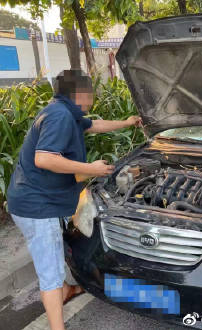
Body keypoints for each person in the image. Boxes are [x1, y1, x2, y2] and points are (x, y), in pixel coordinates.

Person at [6, 70, 142, 330]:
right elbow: (44, 158)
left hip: (38, 198)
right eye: (91, 92)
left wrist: (127, 122)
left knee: (54, 253)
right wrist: (92, 169)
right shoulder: (60, 116)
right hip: (38, 207)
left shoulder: (63, 110)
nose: (93, 97)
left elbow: (93, 125)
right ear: (80, 93)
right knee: (50, 273)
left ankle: (66, 290)